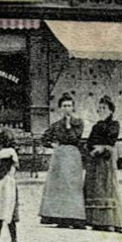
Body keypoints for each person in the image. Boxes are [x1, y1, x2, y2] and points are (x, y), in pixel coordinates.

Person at [38, 94, 86, 229]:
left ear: (73, 107)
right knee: (59, 187)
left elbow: (75, 138)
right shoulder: (56, 125)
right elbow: (44, 138)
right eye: (64, 106)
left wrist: (69, 125)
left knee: (73, 186)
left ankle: (75, 217)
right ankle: (60, 216)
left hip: (73, 156)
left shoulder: (78, 123)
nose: (67, 108)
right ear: (60, 108)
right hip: (59, 156)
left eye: (69, 105)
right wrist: (53, 145)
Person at [83, 96, 122, 233]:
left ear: (111, 111)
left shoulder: (114, 124)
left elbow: (110, 139)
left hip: (106, 159)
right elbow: (89, 142)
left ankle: (111, 221)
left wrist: (102, 147)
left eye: (104, 108)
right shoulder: (96, 126)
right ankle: (96, 221)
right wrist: (93, 148)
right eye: (100, 108)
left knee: (107, 187)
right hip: (95, 160)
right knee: (95, 187)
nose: (101, 110)